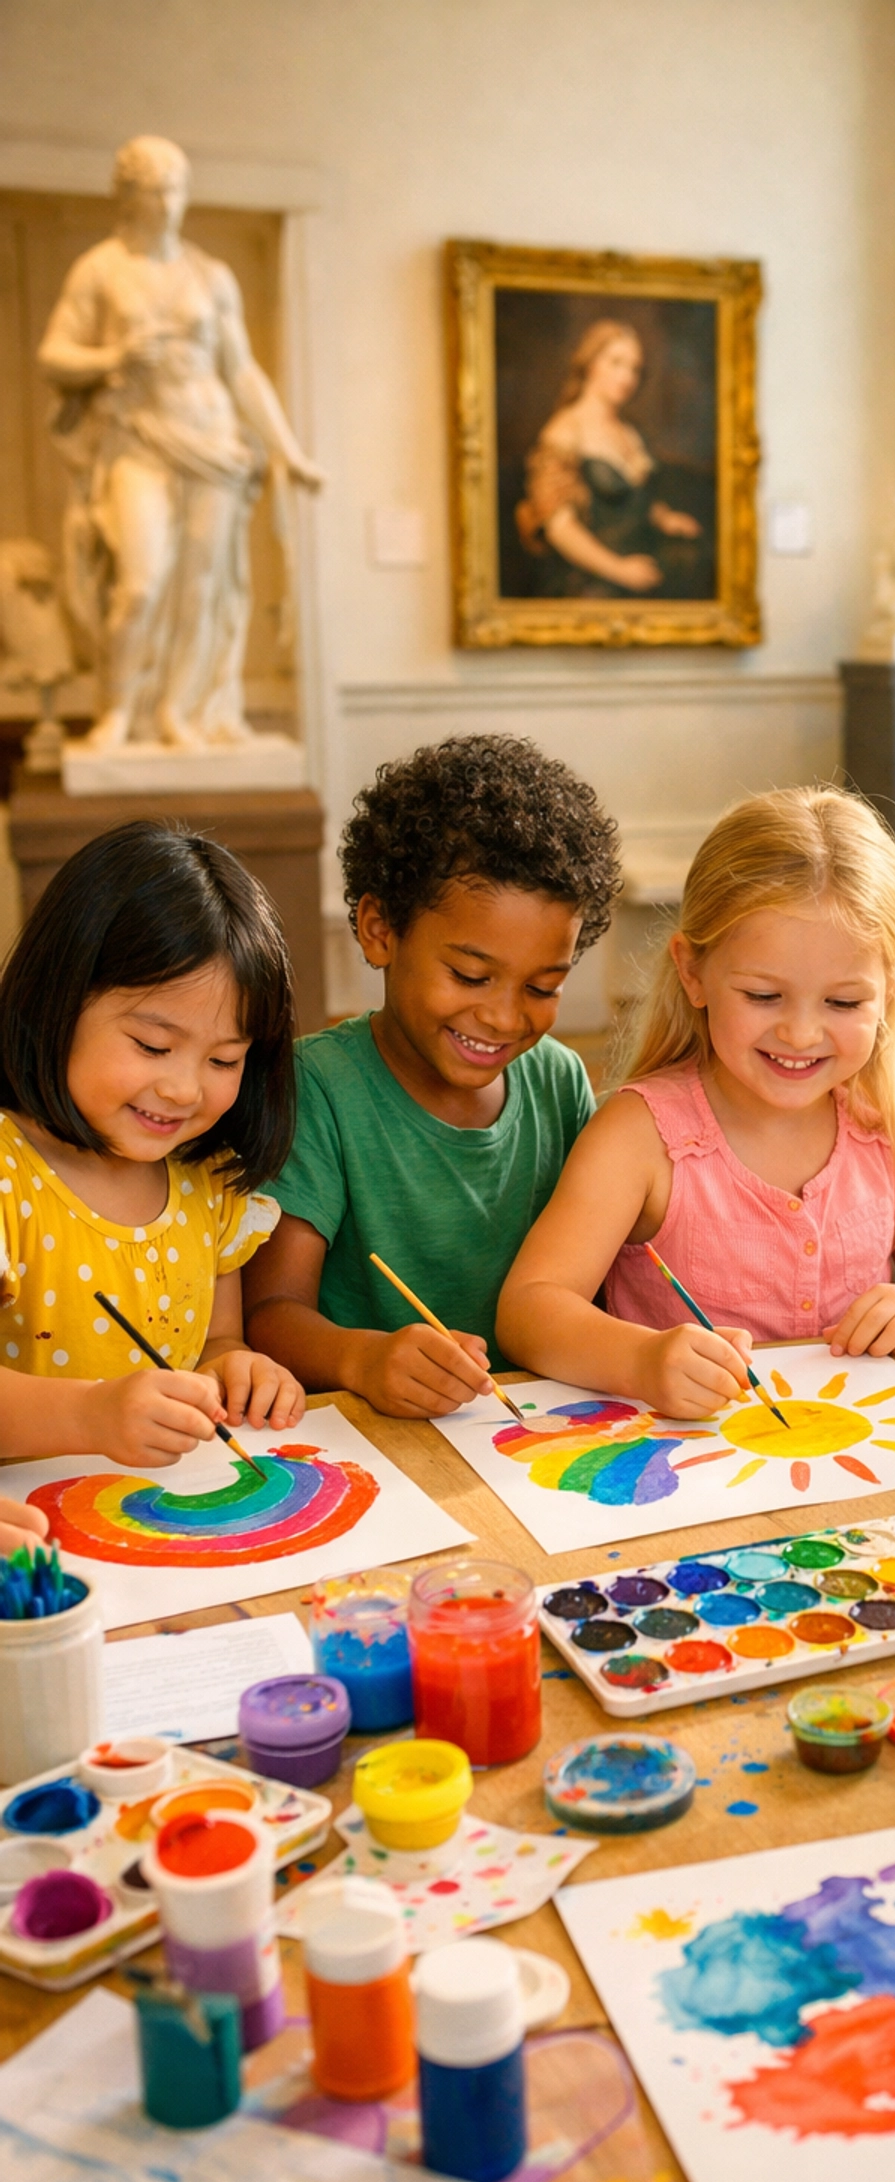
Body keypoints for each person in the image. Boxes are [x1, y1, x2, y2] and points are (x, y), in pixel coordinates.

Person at [498, 787, 895, 1419]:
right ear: (693, 972)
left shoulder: (892, 1125)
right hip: (681, 1469)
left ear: (891, 988)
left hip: (857, 1460)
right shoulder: (642, 1134)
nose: (800, 1034)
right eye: (764, 996)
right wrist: (641, 1361)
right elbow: (530, 1307)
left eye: (843, 1003)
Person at [243, 734, 623, 1418]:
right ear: (379, 929)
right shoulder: (318, 1090)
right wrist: (362, 1358)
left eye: (543, 985)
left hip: (538, 1434)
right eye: (470, 976)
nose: (505, 1016)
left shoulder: (560, 1081)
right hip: (376, 1439)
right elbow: (269, 1313)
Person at [0, 821, 301, 1467]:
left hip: (164, 1516)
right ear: (59, 996)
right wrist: (89, 1415)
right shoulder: (6, 1177)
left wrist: (238, 1367)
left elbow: (216, 1340)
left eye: (224, 1060)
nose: (184, 1089)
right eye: (153, 1046)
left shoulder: (206, 1178)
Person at [37, 134, 322, 753]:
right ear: (127, 196)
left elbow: (242, 370)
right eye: (153, 190)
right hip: (139, 439)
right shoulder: (101, 270)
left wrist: (288, 450)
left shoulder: (210, 275)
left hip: (213, 442)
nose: (167, 203)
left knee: (201, 584)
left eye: (176, 189)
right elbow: (53, 355)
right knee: (140, 581)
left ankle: (179, 710)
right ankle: (118, 708)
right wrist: (111, 356)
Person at [514, 319, 705, 598]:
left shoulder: (630, 431)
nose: (627, 377)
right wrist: (619, 570)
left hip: (643, 566)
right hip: (593, 579)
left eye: (634, 369)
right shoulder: (564, 431)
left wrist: (665, 518)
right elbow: (559, 526)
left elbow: (632, 499)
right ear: (591, 364)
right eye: (616, 363)